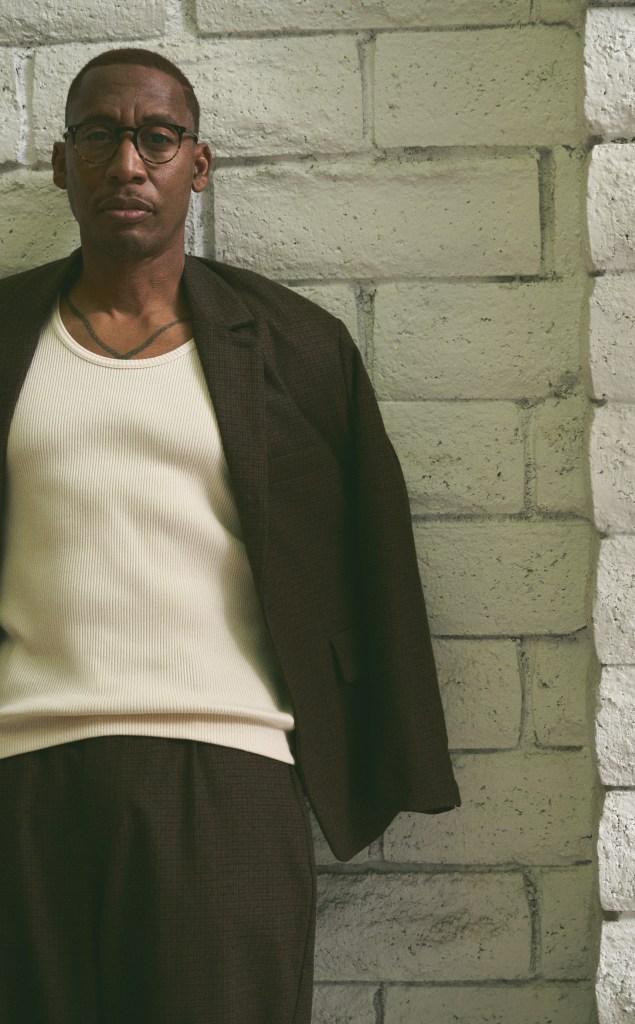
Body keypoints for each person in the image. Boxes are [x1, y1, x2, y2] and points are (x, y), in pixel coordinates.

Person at [0, 48, 459, 1024]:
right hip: (22, 777)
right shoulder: (5, 335)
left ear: (195, 164)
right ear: (58, 162)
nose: (128, 163)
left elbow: (375, 557)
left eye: (155, 138)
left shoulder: (293, 345)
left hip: (227, 777)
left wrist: (393, 756)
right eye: (99, 136)